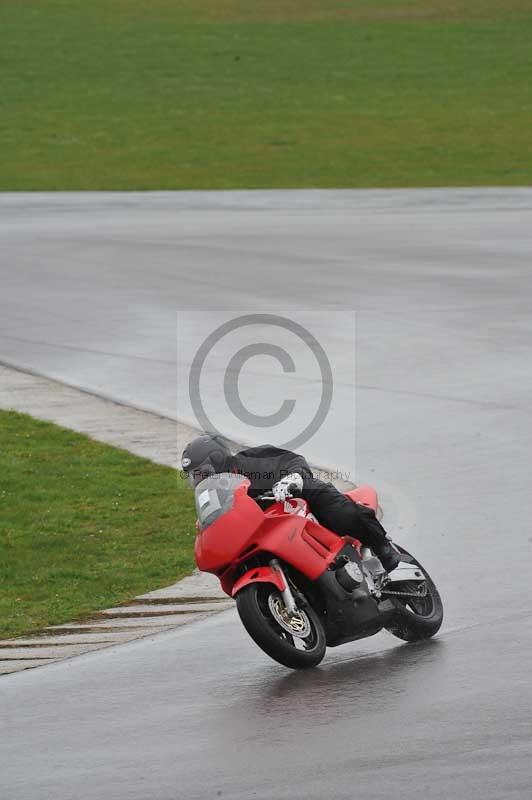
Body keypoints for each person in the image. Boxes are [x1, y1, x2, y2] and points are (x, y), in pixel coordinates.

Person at [181, 433, 400, 573]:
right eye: (195, 478)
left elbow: (291, 460)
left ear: (219, 460)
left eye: (203, 474)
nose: (200, 481)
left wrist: (293, 477)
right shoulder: (218, 494)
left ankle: (382, 547)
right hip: (269, 526)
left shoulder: (252, 461)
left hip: (296, 498)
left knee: (328, 503)